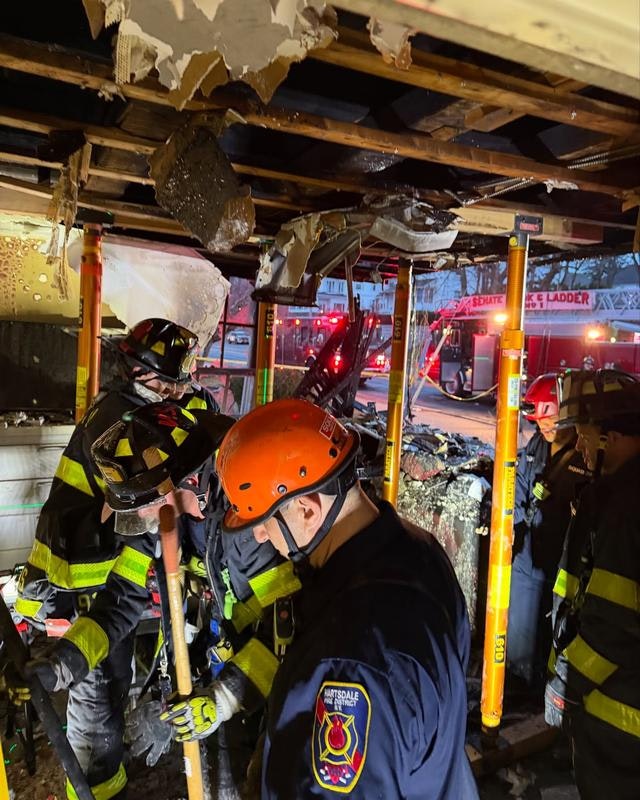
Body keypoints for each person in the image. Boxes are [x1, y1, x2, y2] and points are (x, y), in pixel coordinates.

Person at [164, 398, 478, 799]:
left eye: (261, 522)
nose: (259, 537)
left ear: (307, 508)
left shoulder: (350, 660)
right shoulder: (420, 553)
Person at [14, 318, 218, 800]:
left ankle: (110, 780)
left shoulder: (134, 412)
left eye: (180, 379)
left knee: (112, 680)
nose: (176, 389)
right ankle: (96, 789)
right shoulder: (122, 424)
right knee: (97, 699)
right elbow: (153, 502)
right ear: (139, 373)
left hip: (105, 574)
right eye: (168, 381)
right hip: (76, 586)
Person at [545, 370, 640, 800]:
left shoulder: (624, 508)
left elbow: (613, 622)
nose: (580, 445)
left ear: (614, 436)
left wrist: (565, 682)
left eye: (585, 434)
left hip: (617, 725)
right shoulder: (618, 494)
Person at [507, 373, 592, 689]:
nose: (543, 426)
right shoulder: (535, 446)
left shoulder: (584, 456)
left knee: (555, 636)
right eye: (539, 420)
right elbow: (518, 489)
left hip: (563, 564)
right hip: (529, 562)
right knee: (520, 638)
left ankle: (543, 689)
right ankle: (520, 687)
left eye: (550, 419)